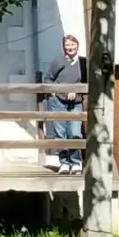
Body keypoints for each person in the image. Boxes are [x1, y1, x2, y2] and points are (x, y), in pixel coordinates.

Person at [43, 35, 86, 171]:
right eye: (67, 45)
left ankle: (75, 162)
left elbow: (87, 82)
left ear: (77, 46)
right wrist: (53, 92)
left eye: (72, 44)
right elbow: (48, 78)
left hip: (75, 102)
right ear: (64, 47)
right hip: (58, 101)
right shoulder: (58, 61)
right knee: (60, 133)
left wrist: (77, 92)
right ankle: (64, 162)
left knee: (74, 132)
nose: (70, 48)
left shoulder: (83, 63)